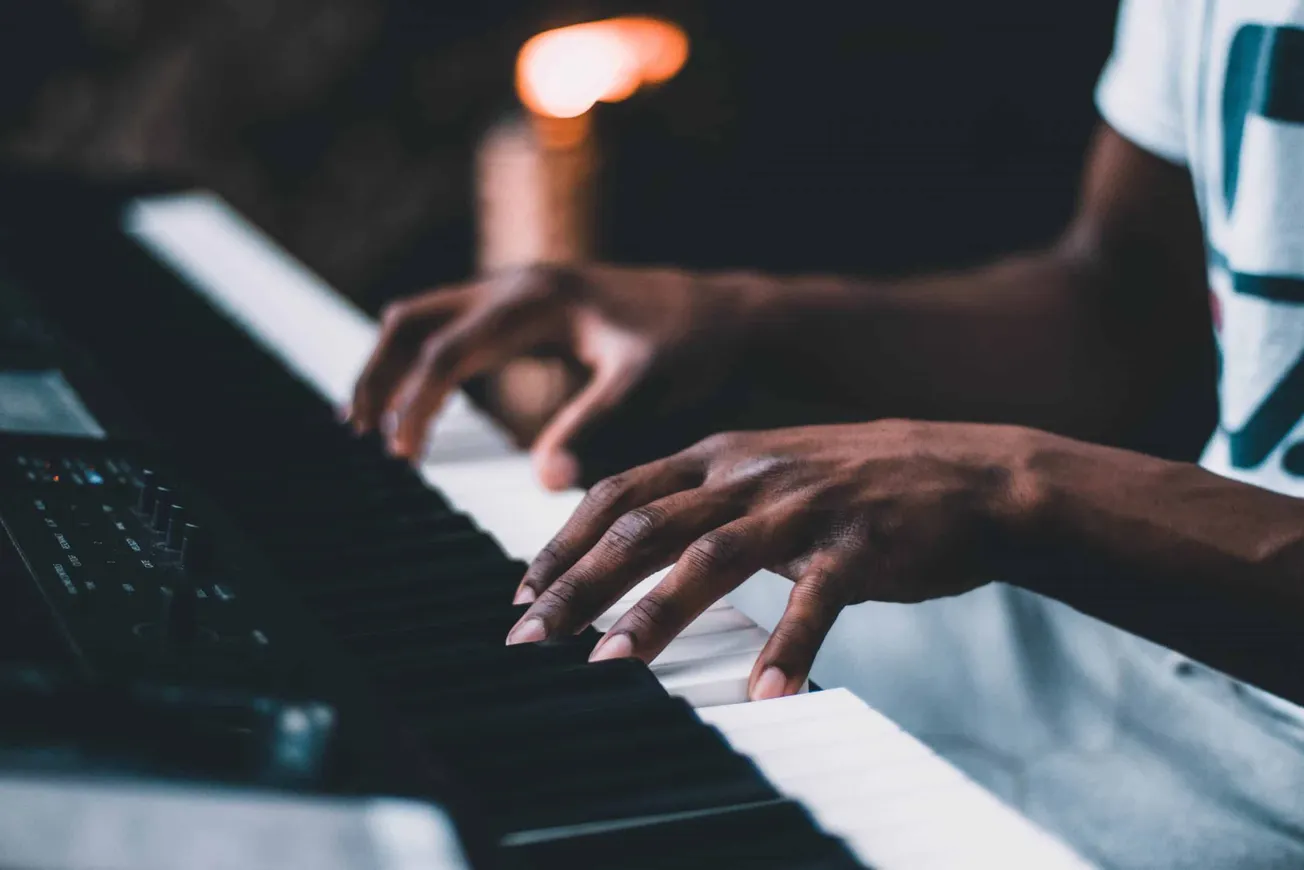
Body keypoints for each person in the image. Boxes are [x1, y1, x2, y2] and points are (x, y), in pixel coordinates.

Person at [349, 2, 1304, 866]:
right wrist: (740, 314)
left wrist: (1007, 484)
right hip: (1153, 648)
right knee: (576, 676)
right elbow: (1122, 306)